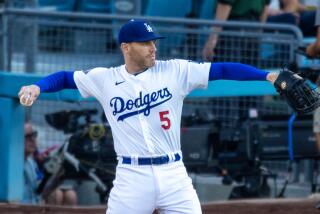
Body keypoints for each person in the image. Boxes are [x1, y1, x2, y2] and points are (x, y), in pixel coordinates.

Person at [18, 19, 279, 213]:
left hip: (173, 173)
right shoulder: (105, 79)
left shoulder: (175, 71)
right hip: (132, 176)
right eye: (145, 43)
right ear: (126, 47)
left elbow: (222, 69)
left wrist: (267, 75)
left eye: (154, 42)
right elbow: (64, 77)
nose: (153, 48)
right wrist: (37, 86)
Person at [202, 0, 271, 62]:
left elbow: (225, 4)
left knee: (229, 72)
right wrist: (258, 32)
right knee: (251, 72)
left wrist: (212, 41)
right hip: (255, 28)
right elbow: (265, 8)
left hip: (233, 28)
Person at [22, 122, 43, 204]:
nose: (33, 139)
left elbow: (37, 191)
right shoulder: (9, 166)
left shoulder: (31, 163)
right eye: (27, 136)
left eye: (34, 135)